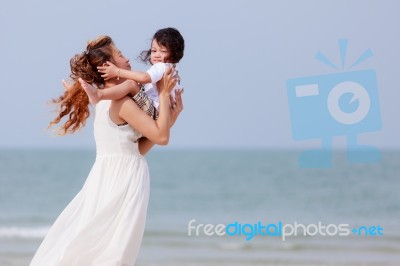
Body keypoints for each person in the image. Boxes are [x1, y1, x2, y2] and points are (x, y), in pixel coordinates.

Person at [30, 35, 183, 266]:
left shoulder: (106, 102)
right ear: (107, 68)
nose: (127, 58)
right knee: (115, 251)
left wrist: (171, 116)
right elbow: (161, 137)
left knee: (102, 245)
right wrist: (163, 95)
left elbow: (139, 148)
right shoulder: (122, 103)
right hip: (122, 182)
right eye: (120, 55)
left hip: (112, 178)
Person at [81, 27, 184, 120]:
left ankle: (99, 94)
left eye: (163, 51)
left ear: (174, 54)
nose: (157, 55)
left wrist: (117, 71)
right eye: (153, 51)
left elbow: (144, 77)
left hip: (157, 110)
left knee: (131, 84)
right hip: (164, 113)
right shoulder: (173, 69)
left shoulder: (162, 67)